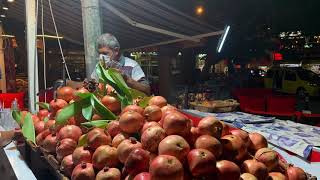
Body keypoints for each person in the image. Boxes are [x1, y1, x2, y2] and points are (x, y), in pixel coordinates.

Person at [68, 33, 150, 95]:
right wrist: (88, 85)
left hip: (128, 110)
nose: (101, 57)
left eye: (105, 53)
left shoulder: (132, 65)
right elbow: (94, 86)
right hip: (107, 107)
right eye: (99, 53)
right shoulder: (99, 66)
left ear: (116, 50)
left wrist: (127, 80)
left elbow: (147, 90)